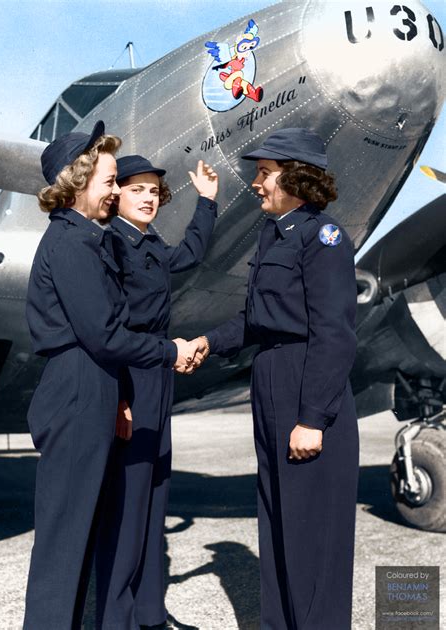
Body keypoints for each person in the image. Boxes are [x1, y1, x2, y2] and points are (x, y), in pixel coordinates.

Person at [24, 122, 195, 630]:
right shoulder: (73, 244)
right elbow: (104, 336)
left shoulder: (86, 239)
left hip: (93, 386)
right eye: (111, 181)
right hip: (77, 387)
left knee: (76, 537)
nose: (117, 191)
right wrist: (170, 351)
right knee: (63, 544)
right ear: (77, 183)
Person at [187, 128, 359, 630]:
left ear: (296, 178)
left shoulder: (324, 238)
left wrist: (312, 418)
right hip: (270, 380)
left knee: (312, 538)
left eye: (265, 174)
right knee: (279, 526)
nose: (257, 184)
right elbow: (257, 319)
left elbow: (333, 334)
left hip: (307, 383)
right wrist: (207, 342)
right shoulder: (274, 234)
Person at [96, 155, 218, 630]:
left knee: (153, 498)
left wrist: (207, 202)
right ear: (116, 195)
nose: (148, 198)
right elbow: (109, 328)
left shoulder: (146, 242)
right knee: (127, 507)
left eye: (153, 191)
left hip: (157, 378)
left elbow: (187, 255)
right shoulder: (111, 245)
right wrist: (121, 397)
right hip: (131, 377)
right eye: (137, 189)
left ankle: (149, 614)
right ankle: (116, 619)